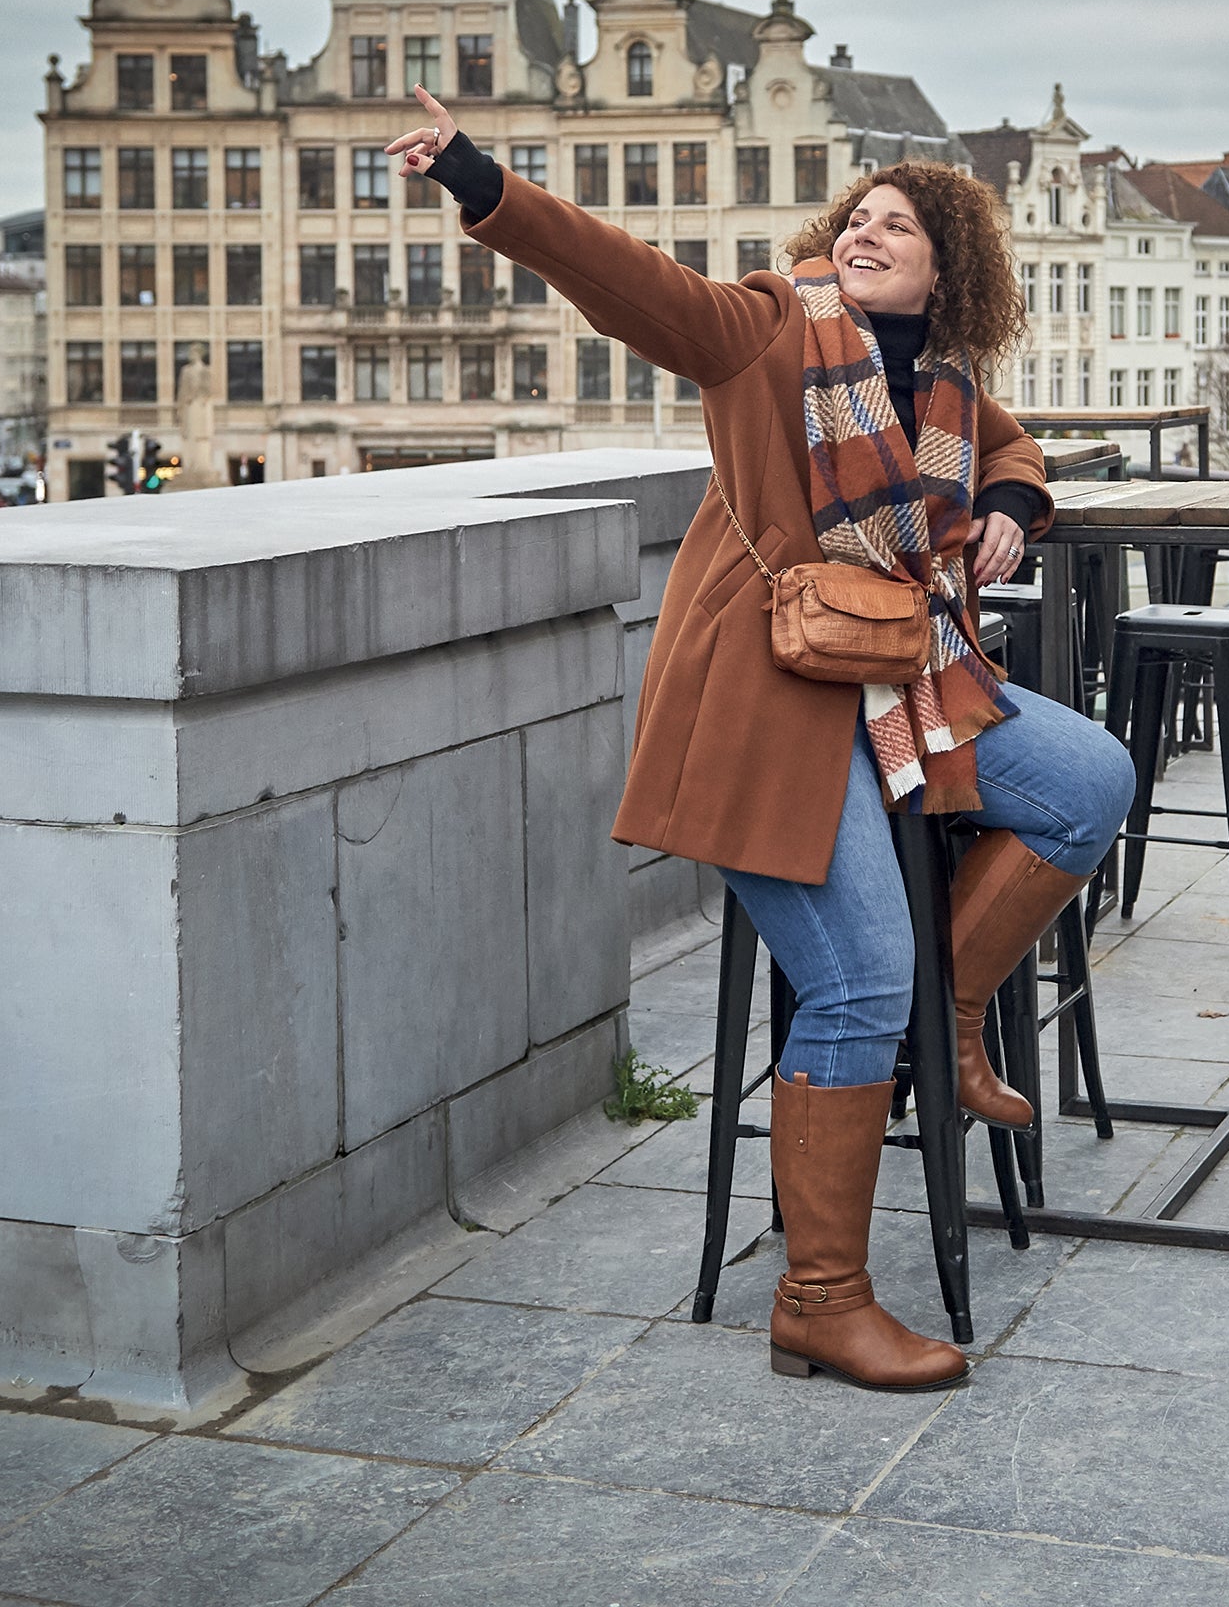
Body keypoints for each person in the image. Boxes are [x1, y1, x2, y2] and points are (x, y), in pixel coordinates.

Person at [389, 89, 1133, 1395]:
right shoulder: (773, 332)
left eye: (898, 225)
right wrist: (477, 178)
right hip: (770, 690)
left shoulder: (950, 383)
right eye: (859, 216)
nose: (866, 232)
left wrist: (1015, 498)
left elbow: (1014, 449)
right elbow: (634, 287)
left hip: (900, 682)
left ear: (950, 266)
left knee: (1087, 779)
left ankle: (950, 1020)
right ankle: (822, 1298)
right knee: (854, 975)